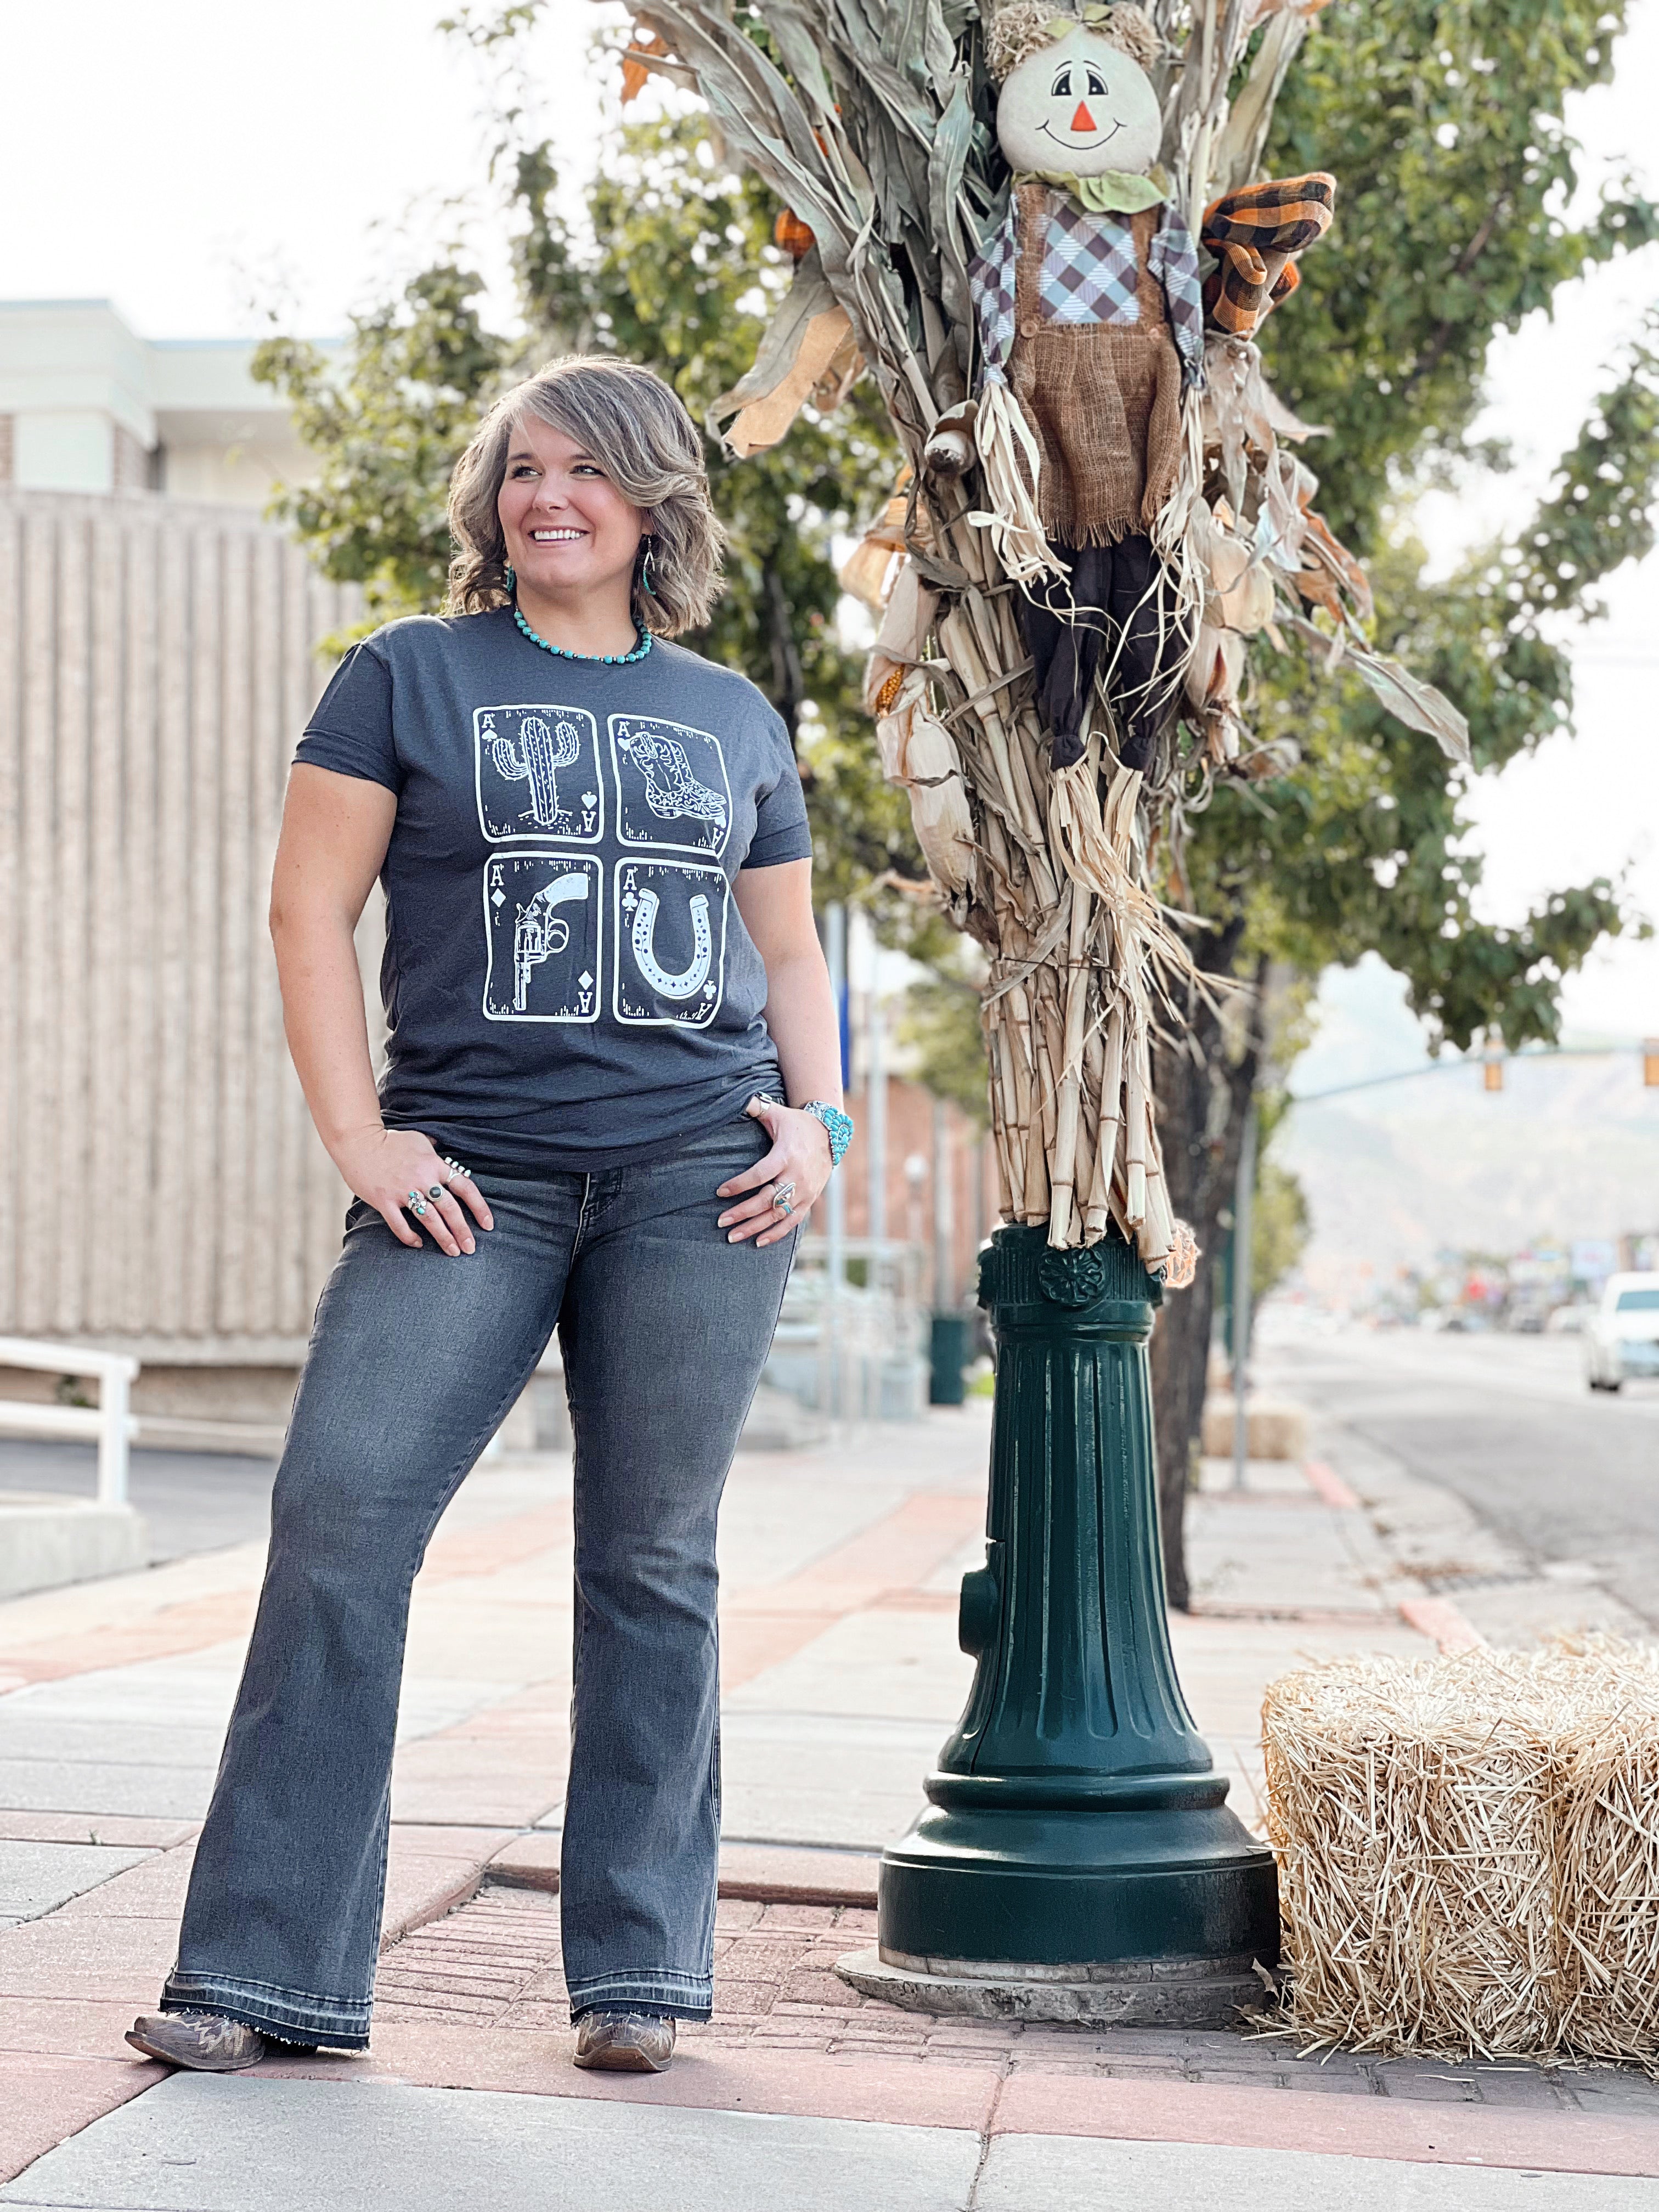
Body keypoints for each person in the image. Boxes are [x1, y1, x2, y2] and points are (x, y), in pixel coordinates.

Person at [126, 356, 852, 2079]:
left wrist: (821, 1125)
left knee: (652, 1562)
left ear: (654, 502)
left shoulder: (734, 715)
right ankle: (263, 1972)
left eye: (587, 473)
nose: (548, 500)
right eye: (524, 471)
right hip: (471, 1185)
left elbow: (793, 952)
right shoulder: (407, 674)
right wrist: (361, 1139)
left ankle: (638, 1976)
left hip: (702, 1183)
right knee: (340, 1520)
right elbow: (308, 917)